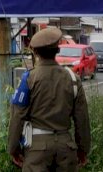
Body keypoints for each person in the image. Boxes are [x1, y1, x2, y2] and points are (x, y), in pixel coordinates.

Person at [7, 26, 91, 171]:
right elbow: (82, 119)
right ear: (58, 50)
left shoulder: (29, 78)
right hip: (66, 148)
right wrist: (83, 149)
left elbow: (17, 116)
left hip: (36, 151)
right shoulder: (72, 78)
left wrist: (13, 148)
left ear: (36, 52)